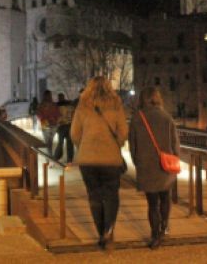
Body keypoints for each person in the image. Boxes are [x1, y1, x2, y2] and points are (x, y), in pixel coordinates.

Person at [71, 76, 128, 249]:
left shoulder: (83, 104)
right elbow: (123, 132)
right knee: (111, 195)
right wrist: (115, 143)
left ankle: (100, 233)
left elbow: (74, 133)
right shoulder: (116, 104)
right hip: (111, 160)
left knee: (94, 196)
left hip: (88, 161)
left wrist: (85, 145)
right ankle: (108, 231)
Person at [128, 87, 179, 249]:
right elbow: (175, 144)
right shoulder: (167, 117)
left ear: (143, 99)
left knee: (152, 203)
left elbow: (132, 146)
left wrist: (138, 163)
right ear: (158, 98)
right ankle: (164, 226)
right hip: (166, 165)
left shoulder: (137, 118)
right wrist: (174, 158)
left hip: (146, 165)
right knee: (165, 197)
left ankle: (155, 235)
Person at [54, 92, 74, 162]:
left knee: (62, 143)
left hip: (62, 126)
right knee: (68, 143)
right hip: (67, 126)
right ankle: (69, 159)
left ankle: (57, 157)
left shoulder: (57, 106)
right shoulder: (69, 104)